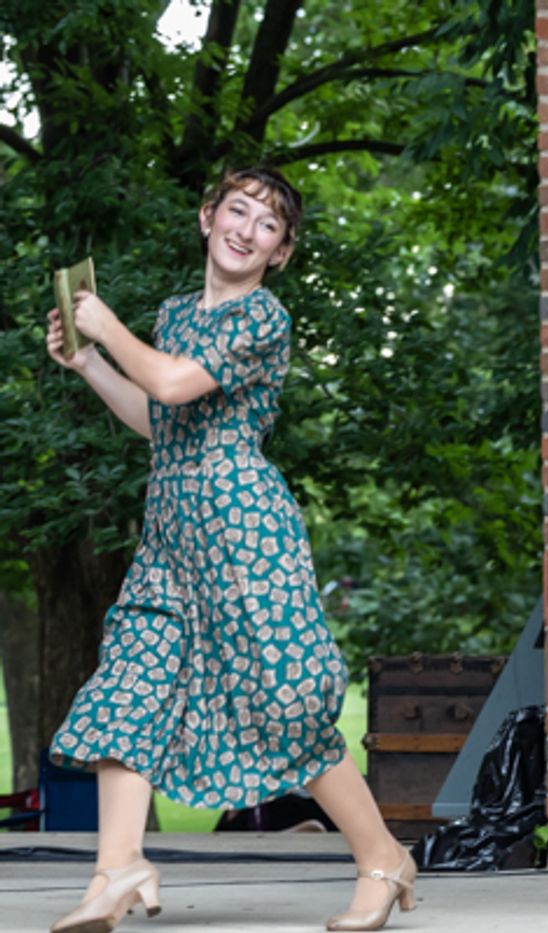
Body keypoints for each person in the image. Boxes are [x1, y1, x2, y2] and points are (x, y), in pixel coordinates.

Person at [44, 167, 415, 932]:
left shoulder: (263, 318)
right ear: (207, 218)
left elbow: (177, 384)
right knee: (130, 683)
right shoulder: (178, 312)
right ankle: (117, 867)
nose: (247, 228)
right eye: (237, 211)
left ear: (279, 251)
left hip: (243, 525)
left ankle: (382, 854)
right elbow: (160, 418)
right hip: (172, 529)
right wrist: (89, 362)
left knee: (286, 696)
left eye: (268, 223)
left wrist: (108, 327)